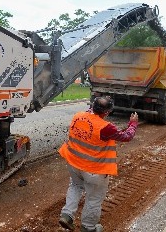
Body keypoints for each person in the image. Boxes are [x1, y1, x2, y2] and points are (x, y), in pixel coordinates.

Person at [58, 96, 139, 232]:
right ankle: (88, 227)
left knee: (75, 186)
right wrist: (133, 123)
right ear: (107, 112)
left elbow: (90, 117)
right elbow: (127, 137)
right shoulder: (106, 128)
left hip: (73, 163)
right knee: (94, 198)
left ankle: (67, 215)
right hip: (94, 170)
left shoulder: (78, 116)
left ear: (92, 107)